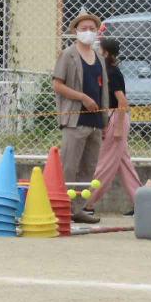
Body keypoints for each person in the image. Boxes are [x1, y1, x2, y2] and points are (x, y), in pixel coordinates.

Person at [50, 12, 107, 225]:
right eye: (84, 28)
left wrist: (104, 120)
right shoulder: (68, 55)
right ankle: (61, 206)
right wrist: (82, 97)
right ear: (75, 31)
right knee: (69, 166)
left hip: (95, 121)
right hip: (75, 120)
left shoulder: (99, 57)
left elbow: (104, 90)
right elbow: (58, 84)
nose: (88, 32)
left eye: (92, 28)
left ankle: (78, 207)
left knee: (88, 168)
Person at [91, 41, 142, 215]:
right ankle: (141, 201)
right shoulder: (109, 71)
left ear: (105, 52)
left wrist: (118, 128)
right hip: (114, 117)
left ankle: (87, 202)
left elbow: (122, 101)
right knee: (123, 163)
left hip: (115, 118)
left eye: (99, 49)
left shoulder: (112, 73)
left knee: (104, 163)